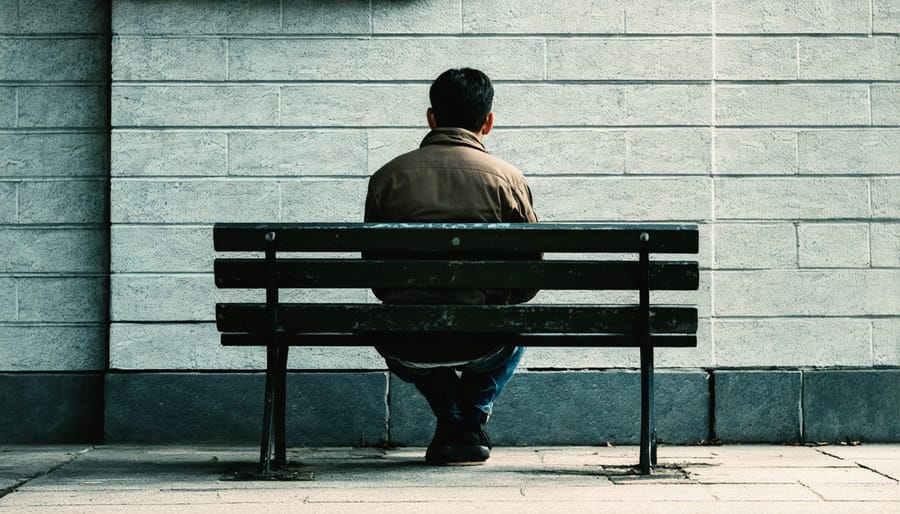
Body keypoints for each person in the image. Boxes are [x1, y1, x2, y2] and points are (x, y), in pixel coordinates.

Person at [364, 68, 539, 465]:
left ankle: (452, 418)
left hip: (405, 339)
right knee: (518, 321)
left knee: (396, 321)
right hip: (483, 340)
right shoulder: (508, 180)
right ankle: (467, 421)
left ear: (431, 117)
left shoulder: (387, 178)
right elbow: (530, 276)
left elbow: (376, 277)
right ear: (488, 122)